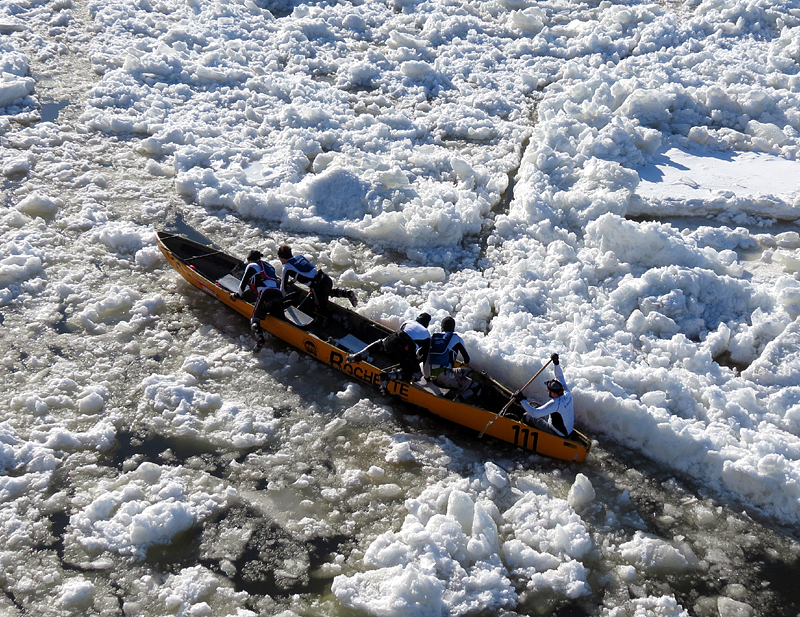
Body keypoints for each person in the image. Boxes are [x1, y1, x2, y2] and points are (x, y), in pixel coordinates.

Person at [346, 313, 431, 393]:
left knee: (381, 343)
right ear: (426, 325)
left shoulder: (408, 322)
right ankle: (387, 377)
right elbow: (425, 359)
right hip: (404, 349)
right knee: (417, 375)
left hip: (392, 340)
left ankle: (357, 356)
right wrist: (427, 377)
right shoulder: (427, 335)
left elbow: (399, 334)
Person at [277, 245, 357, 314]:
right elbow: (301, 271)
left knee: (320, 310)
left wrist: (280, 300)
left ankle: (341, 320)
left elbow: (283, 288)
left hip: (318, 286)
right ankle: (346, 293)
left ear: (282, 258)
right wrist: (292, 282)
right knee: (326, 292)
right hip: (325, 278)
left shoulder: (287, 267)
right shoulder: (299, 257)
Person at [512, 353, 574, 437]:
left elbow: (535, 413)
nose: (548, 393)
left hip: (558, 432)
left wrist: (522, 399)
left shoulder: (555, 404)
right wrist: (556, 363)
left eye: (549, 391)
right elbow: (560, 377)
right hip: (566, 429)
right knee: (533, 405)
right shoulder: (567, 392)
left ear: (553, 393)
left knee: (528, 415)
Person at [231, 250, 284, 349]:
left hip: (266, 293)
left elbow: (243, 282)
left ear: (250, 260)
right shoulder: (269, 266)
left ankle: (260, 341)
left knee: (254, 320)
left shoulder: (252, 265)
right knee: (279, 318)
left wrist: (238, 294)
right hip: (278, 295)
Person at [424, 316, 473, 396]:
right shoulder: (456, 338)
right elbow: (467, 359)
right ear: (453, 329)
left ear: (442, 328)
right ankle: (455, 400)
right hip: (444, 377)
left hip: (431, 375)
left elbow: (426, 357)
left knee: (465, 373)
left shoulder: (433, 337)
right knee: (470, 383)